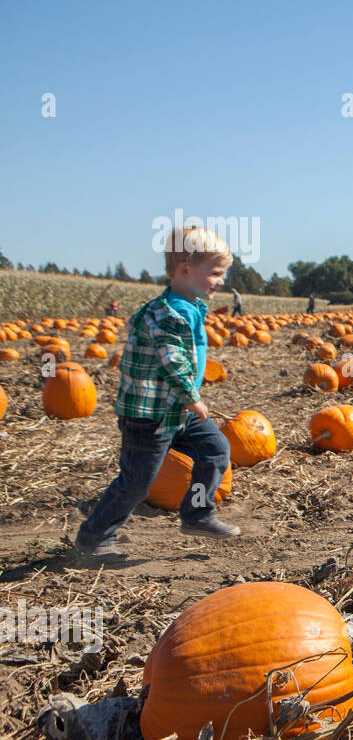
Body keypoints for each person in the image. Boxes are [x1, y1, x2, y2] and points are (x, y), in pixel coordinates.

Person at [74, 225, 241, 564]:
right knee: (136, 484)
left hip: (176, 411)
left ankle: (196, 514)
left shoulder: (190, 306)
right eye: (215, 273)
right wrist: (191, 395)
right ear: (185, 270)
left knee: (216, 450)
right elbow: (172, 358)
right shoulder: (167, 312)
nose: (221, 281)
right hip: (148, 416)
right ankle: (93, 537)